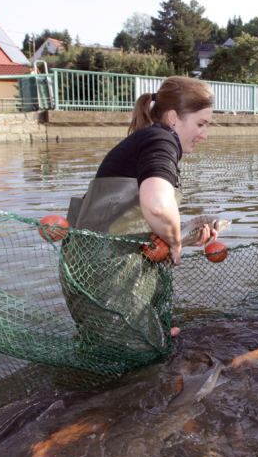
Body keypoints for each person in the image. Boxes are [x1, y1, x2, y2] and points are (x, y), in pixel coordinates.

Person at [60, 76, 216, 351]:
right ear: (173, 118)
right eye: (200, 124)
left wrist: (184, 236)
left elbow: (129, 221)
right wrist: (176, 243)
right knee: (141, 366)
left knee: (108, 356)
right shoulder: (162, 140)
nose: (204, 135)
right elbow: (156, 205)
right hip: (108, 278)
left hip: (90, 273)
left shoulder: (147, 139)